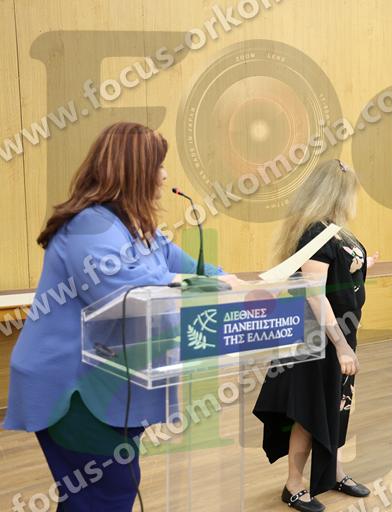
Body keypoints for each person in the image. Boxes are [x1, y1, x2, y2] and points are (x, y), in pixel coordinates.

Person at [3, 122, 233, 510]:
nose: (165, 176)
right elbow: (125, 292)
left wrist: (224, 278)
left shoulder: (136, 227)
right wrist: (187, 283)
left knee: (96, 493)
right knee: (106, 492)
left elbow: (181, 264)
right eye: (158, 166)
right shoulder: (89, 226)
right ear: (134, 171)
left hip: (107, 383)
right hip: (72, 389)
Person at [254, 159, 378, 512]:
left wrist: (364, 266)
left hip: (341, 334)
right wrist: (340, 345)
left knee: (337, 406)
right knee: (309, 412)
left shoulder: (336, 231)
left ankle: (332, 471)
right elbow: (314, 294)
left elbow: (339, 274)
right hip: (317, 338)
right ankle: (293, 485)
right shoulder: (315, 233)